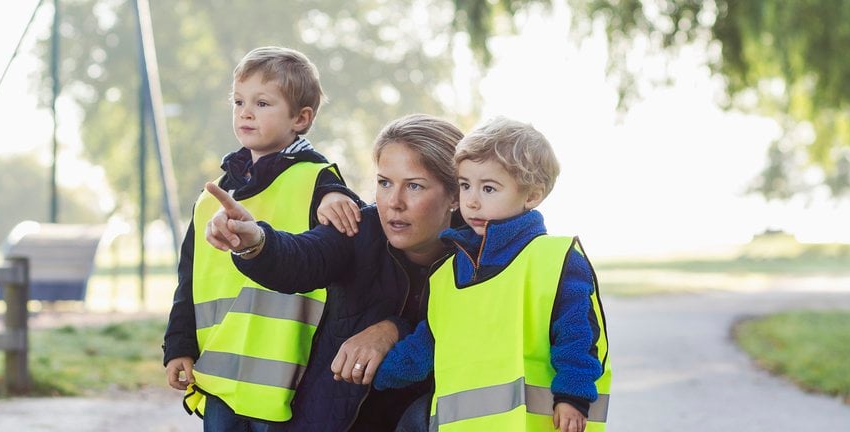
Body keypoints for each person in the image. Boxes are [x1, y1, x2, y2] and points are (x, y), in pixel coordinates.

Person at [203, 114, 464, 431]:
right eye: (384, 183)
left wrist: (394, 330)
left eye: (414, 186)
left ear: (455, 195)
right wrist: (256, 241)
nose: (394, 202)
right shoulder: (359, 229)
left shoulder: (482, 257)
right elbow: (300, 259)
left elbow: (471, 339)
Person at [162, 46, 359, 431]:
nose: (245, 112)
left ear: (301, 118)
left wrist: (338, 193)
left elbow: (345, 235)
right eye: (238, 101)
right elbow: (188, 284)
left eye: (262, 103)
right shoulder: (210, 198)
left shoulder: (318, 181)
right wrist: (179, 347)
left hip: (289, 382)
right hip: (219, 377)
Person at [373, 117, 612, 432]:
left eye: (488, 188)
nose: (471, 201)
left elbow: (578, 336)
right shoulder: (448, 271)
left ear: (532, 196)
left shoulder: (553, 260)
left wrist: (573, 396)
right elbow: (429, 343)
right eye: (465, 185)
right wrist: (377, 374)